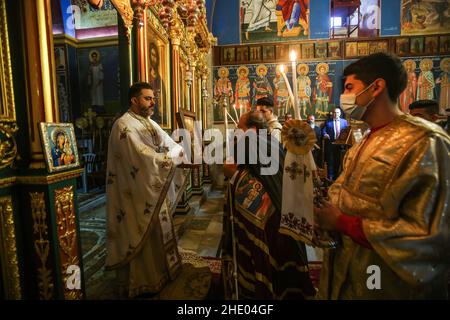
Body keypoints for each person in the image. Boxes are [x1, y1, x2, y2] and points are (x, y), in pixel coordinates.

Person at [314, 53, 450, 299]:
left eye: (349, 87)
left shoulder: (425, 142)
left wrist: (343, 223)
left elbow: (431, 235)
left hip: (389, 284)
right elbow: (342, 192)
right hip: (350, 273)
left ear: (376, 87)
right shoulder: (365, 139)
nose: (344, 97)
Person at [222, 111, 315, 299]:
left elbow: (234, 170)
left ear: (252, 129)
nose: (236, 131)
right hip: (286, 215)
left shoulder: (249, 142)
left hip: (269, 223)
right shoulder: (273, 141)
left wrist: (232, 172)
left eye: (240, 128)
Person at [105, 82, 186, 299]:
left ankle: (161, 272)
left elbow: (168, 142)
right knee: (139, 230)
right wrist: (170, 158)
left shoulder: (149, 122)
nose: (153, 102)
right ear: (134, 100)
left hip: (150, 186)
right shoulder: (124, 126)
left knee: (158, 232)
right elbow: (142, 157)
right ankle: (142, 281)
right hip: (134, 192)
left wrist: (178, 150)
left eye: (153, 98)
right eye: (148, 98)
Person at [321, 107, 348, 180]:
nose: (336, 114)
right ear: (332, 113)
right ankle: (330, 177)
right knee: (330, 160)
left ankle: (337, 177)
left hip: (341, 145)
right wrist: (325, 134)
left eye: (337, 112)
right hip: (331, 144)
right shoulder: (328, 121)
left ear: (340, 114)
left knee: (339, 161)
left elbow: (347, 131)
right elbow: (324, 131)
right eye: (334, 112)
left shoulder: (344, 122)